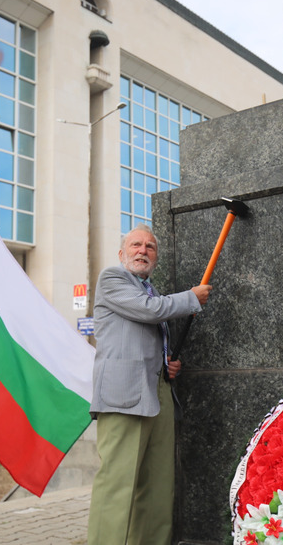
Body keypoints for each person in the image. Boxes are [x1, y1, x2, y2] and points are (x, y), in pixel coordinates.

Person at [87, 224, 211, 545]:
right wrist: (191, 298)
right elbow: (148, 311)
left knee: (157, 486)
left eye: (150, 247)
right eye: (136, 245)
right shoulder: (113, 279)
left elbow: (144, 334)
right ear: (122, 253)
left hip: (158, 394)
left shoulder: (149, 289)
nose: (143, 250)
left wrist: (166, 361)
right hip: (123, 397)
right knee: (118, 485)